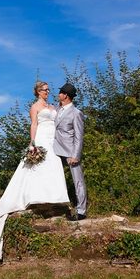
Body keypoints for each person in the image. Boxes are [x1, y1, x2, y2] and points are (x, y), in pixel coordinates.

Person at [0, 81, 70, 260]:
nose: (47, 92)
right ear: (37, 92)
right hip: (42, 137)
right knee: (39, 168)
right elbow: (34, 124)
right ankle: (36, 198)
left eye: (48, 89)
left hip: (54, 140)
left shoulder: (52, 106)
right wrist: (33, 143)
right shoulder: (35, 107)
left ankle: (54, 198)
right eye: (44, 90)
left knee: (53, 166)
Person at [54, 83, 88, 221]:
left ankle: (81, 211)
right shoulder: (57, 109)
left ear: (65, 95)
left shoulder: (76, 113)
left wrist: (76, 155)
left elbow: (79, 136)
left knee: (78, 180)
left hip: (70, 151)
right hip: (55, 149)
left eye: (60, 92)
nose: (58, 94)